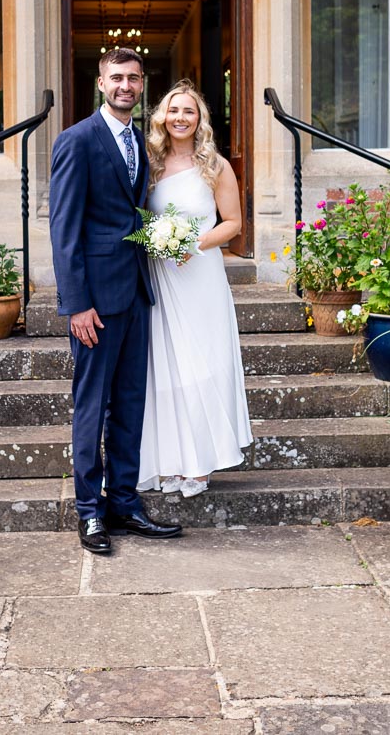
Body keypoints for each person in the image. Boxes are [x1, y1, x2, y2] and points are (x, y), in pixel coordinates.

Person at [48, 48, 184, 556]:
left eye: (133, 78)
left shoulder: (141, 145)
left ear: (142, 83)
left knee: (130, 403)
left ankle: (124, 504)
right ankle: (89, 512)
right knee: (91, 405)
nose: (126, 85)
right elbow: (64, 230)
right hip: (95, 302)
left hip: (136, 293)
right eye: (116, 78)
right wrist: (77, 303)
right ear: (101, 83)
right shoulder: (76, 141)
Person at [138, 80, 253, 498]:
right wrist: (159, 240)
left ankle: (202, 462)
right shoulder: (149, 164)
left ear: (200, 118)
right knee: (166, 368)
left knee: (202, 363)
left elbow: (233, 224)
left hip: (199, 275)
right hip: (161, 275)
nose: (180, 118)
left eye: (189, 111)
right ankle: (171, 459)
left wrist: (192, 243)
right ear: (161, 118)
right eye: (173, 110)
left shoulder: (215, 165)